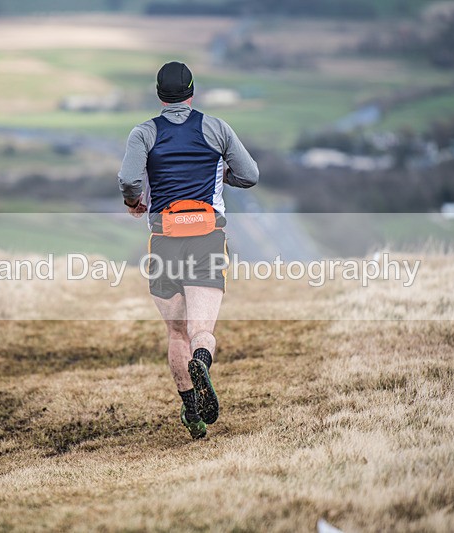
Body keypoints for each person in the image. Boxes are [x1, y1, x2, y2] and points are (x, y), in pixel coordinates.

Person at [118, 61, 259, 439]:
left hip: (165, 239)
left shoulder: (144, 133)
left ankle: (192, 413)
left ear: (160, 95)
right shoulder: (216, 128)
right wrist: (222, 174)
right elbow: (251, 174)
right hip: (207, 237)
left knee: (175, 331)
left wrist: (134, 201)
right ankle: (202, 361)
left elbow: (129, 178)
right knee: (201, 330)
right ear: (192, 92)